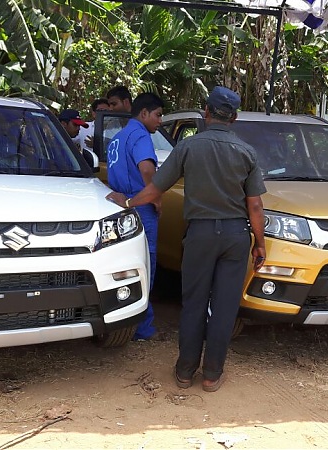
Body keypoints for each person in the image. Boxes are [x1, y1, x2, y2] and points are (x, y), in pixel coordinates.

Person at [105, 86, 266, 392]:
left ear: (206, 112)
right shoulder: (247, 152)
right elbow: (255, 205)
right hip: (235, 236)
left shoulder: (188, 147)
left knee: (193, 303)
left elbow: (155, 188)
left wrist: (127, 203)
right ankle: (211, 374)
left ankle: (184, 370)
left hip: (200, 234)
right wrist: (260, 243)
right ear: (235, 117)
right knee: (224, 306)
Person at [106, 92, 164, 341]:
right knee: (145, 265)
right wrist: (157, 198)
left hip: (121, 207)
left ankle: (124, 320)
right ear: (144, 113)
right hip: (140, 206)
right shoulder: (140, 135)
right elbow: (147, 169)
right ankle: (142, 327)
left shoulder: (117, 138)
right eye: (158, 115)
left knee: (124, 265)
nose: (160, 121)